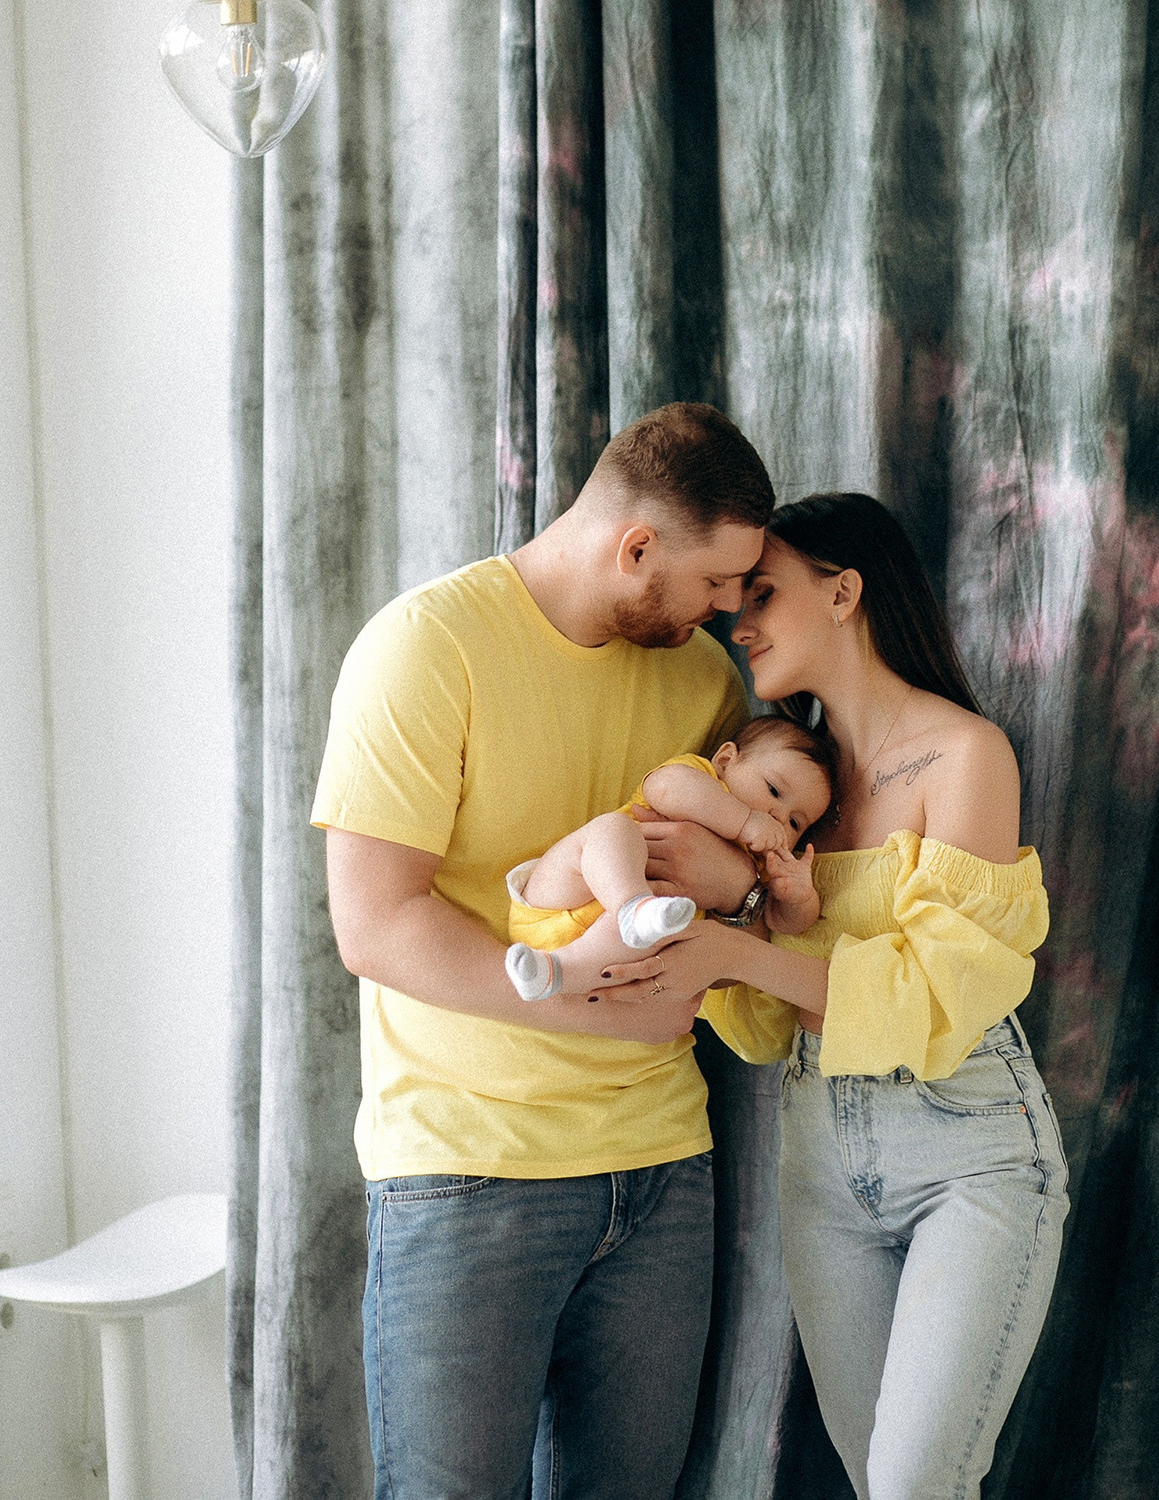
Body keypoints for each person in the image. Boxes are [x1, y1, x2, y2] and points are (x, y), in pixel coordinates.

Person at [311, 402, 775, 1500]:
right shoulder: (426, 647)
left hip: (662, 1170)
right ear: (637, 548)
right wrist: (586, 1003)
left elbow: (734, 892)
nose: (732, 614)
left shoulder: (700, 683)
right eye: (718, 583)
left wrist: (743, 885)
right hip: (468, 1173)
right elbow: (374, 923)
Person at [603, 492, 1070, 1500]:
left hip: (972, 1151)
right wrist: (727, 911)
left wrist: (736, 957)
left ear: (845, 593)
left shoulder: (965, 755)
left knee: (913, 1485)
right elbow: (771, 1032)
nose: (739, 619)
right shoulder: (779, 785)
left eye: (763, 592)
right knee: (877, 1484)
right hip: (819, 1160)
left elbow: (935, 994)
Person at [504, 714, 836, 1002]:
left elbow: (780, 923)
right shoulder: (701, 777)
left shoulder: (760, 863)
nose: (778, 816)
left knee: (659, 937)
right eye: (774, 791)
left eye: (795, 822)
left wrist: (800, 897)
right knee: (613, 830)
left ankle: (554, 972)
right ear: (724, 761)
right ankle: (632, 905)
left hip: (600, 955)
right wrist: (744, 820)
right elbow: (663, 789)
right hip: (561, 897)